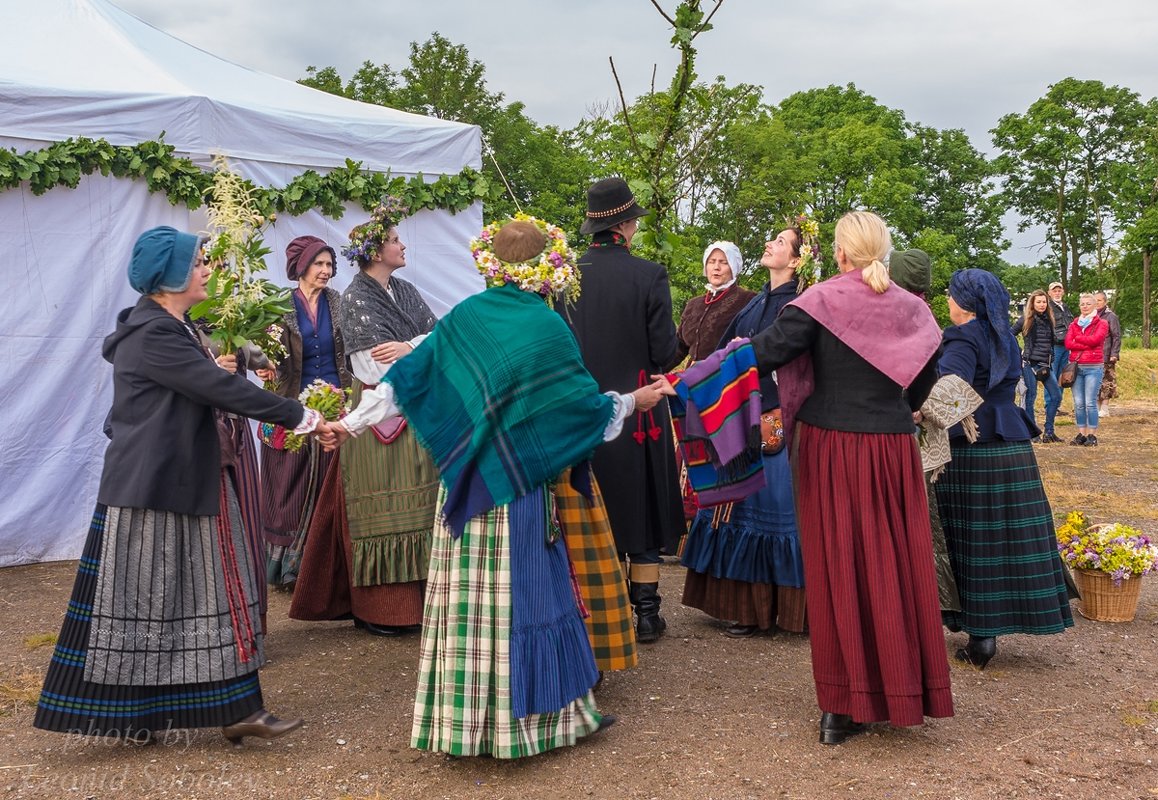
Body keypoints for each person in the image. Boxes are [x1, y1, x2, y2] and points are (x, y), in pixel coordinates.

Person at [320, 217, 665, 758]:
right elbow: (579, 409)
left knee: (467, 609)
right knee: (529, 596)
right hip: (520, 491)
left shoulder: (465, 318)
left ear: (493, 265)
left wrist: (349, 424)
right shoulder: (547, 327)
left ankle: (460, 727)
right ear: (549, 270)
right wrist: (631, 402)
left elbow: (401, 382)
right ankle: (537, 726)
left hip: (463, 489)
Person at [664, 211, 953, 744]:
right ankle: (905, 692)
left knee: (839, 567)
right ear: (882, 253)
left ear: (840, 255)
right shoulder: (916, 311)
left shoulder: (819, 303)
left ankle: (839, 711)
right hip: (891, 448)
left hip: (830, 447)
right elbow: (918, 389)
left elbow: (761, 354)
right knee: (893, 562)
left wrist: (687, 381)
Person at [34, 226, 320, 747]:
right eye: (198, 264)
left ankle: (236, 710)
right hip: (154, 485)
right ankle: (133, 714)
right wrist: (300, 415)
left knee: (196, 597)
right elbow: (215, 386)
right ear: (168, 277)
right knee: (149, 602)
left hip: (179, 478)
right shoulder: (153, 334)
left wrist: (253, 358)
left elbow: (213, 369)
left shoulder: (177, 327)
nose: (207, 269)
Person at [289, 202, 439, 635]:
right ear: (375, 251)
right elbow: (371, 369)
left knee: (423, 505)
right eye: (394, 239)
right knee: (382, 509)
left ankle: (424, 603)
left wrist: (411, 346)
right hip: (379, 416)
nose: (402, 244)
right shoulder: (356, 298)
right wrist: (419, 352)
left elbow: (441, 333)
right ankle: (384, 611)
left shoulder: (405, 289)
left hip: (415, 406)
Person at [561, 177, 685, 643]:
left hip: (584, 409)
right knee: (644, 502)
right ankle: (647, 613)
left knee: (597, 502)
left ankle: (600, 607)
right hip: (641, 408)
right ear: (628, 225)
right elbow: (665, 350)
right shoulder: (649, 274)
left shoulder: (564, 277)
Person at [934, 269, 1075, 669]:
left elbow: (951, 390)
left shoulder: (963, 336)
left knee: (974, 540)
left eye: (951, 294)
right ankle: (988, 630)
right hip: (1010, 446)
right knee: (1007, 538)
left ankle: (981, 639)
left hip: (974, 445)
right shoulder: (1004, 337)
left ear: (964, 301)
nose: (948, 301)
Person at [680, 227, 806, 638]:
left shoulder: (799, 305)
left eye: (781, 242)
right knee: (735, 508)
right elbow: (720, 354)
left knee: (769, 514)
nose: (770, 243)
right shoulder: (753, 307)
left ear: (797, 260)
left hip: (774, 422)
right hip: (740, 420)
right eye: (771, 239)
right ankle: (740, 606)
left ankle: (774, 609)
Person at [254, 236, 351, 590]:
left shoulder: (338, 303)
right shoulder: (278, 306)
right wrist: (262, 366)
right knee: (288, 486)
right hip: (289, 405)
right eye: (319, 264)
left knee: (325, 482)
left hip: (333, 405)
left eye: (329, 265)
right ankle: (283, 567)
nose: (326, 271)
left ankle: (315, 564)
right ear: (301, 267)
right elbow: (258, 351)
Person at [675, 241, 755, 363]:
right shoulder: (693, 304)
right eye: (711, 262)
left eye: (724, 262)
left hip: (726, 376)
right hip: (692, 377)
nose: (716, 267)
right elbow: (679, 348)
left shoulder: (747, 299)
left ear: (733, 267)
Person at [1015, 289, 1062, 443]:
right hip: (1029, 364)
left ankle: (1049, 431)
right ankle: (1032, 433)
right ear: (1033, 303)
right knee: (1031, 398)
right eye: (1039, 302)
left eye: (1044, 302)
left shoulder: (1050, 319)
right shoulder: (1026, 319)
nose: (1042, 304)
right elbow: (1009, 334)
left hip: (1045, 365)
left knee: (1056, 396)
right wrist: (1019, 351)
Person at [1064, 292, 1109, 447]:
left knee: (1090, 402)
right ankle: (1081, 433)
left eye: (1088, 304)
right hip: (1076, 367)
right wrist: (1086, 343)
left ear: (1095, 305)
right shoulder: (1074, 324)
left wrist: (1078, 339)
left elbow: (1096, 340)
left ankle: (1092, 435)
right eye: (1082, 304)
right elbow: (1068, 343)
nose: (1084, 306)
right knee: (1078, 403)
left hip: (1093, 367)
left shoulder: (1102, 323)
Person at [1095, 291, 1122, 418]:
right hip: (1094, 355)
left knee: (1107, 381)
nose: (1097, 303)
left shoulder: (1111, 316)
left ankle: (1105, 407)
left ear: (1105, 302)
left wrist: (1114, 353)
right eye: (1095, 300)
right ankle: (1097, 407)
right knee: (1096, 382)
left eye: (1099, 300)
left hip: (1107, 354)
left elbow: (1116, 336)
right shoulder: (1092, 315)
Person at [1046, 281, 1073, 398]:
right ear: (1049, 293)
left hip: (1066, 346)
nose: (1057, 293)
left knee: (1063, 375)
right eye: (1054, 291)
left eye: (1059, 290)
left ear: (1063, 292)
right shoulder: (1048, 307)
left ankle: (1057, 403)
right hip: (1054, 346)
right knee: (1051, 375)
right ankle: (1050, 404)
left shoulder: (1065, 307)